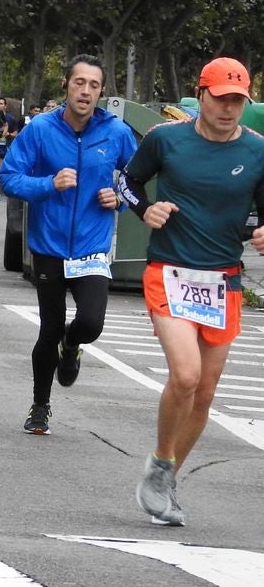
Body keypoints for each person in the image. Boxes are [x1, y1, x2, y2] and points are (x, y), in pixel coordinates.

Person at [119, 57, 264, 526]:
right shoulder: (166, 139)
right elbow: (126, 180)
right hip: (169, 272)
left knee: (203, 393)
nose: (228, 109)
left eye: (237, 101)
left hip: (223, 280)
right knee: (185, 374)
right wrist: (145, 210)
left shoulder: (258, 151)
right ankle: (161, 460)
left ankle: (166, 479)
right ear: (200, 95)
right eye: (220, 98)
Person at [0, 55, 137, 435]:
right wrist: (48, 184)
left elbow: (135, 177)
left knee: (90, 322)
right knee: (49, 327)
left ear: (101, 92)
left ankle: (72, 345)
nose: (86, 91)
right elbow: (9, 178)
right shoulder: (41, 129)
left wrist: (120, 198)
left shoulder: (116, 132)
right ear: (66, 85)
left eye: (94, 85)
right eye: (79, 83)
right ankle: (40, 405)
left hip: (92, 248)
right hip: (49, 245)